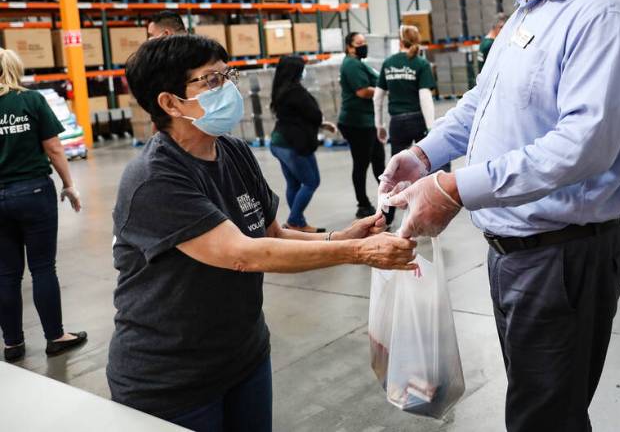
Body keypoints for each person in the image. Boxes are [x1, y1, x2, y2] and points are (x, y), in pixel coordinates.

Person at [379, 0, 620, 432]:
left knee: (543, 416)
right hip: (513, 253)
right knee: (541, 404)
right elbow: (481, 104)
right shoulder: (527, 16)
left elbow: (584, 147)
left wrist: (454, 187)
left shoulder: (600, 16)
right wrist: (425, 156)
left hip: (564, 256)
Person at [108, 34, 416, 430]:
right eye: (212, 80)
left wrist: (343, 237)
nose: (228, 89)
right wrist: (358, 254)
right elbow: (244, 254)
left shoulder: (233, 151)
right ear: (169, 103)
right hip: (171, 379)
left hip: (243, 356)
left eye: (228, 75)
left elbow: (272, 235)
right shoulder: (155, 179)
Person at [0, 48, 86, 363]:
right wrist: (69, 185)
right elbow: (53, 148)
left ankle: (12, 344)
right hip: (33, 191)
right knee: (42, 267)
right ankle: (55, 336)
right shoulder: (31, 100)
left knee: (6, 274)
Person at [373, 25, 437, 225]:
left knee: (396, 171)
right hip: (417, 120)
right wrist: (432, 128)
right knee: (424, 166)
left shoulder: (388, 63)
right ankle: (424, 211)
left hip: (397, 123)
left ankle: (387, 214)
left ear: (400, 41)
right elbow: (425, 98)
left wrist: (379, 124)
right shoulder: (420, 63)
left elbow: (377, 97)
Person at [269, 55, 327, 234]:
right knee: (311, 181)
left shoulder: (280, 89)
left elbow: (297, 116)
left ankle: (299, 223)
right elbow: (313, 114)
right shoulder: (295, 91)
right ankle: (294, 221)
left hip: (279, 142)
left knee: (294, 183)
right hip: (293, 144)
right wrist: (320, 121)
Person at [338, 32, 386, 218]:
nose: (363, 46)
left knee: (379, 161)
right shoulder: (351, 64)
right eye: (359, 43)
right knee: (362, 163)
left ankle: (387, 198)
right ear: (350, 47)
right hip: (357, 122)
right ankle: (363, 204)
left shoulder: (359, 63)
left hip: (368, 121)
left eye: (364, 42)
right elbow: (362, 91)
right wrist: (383, 90)